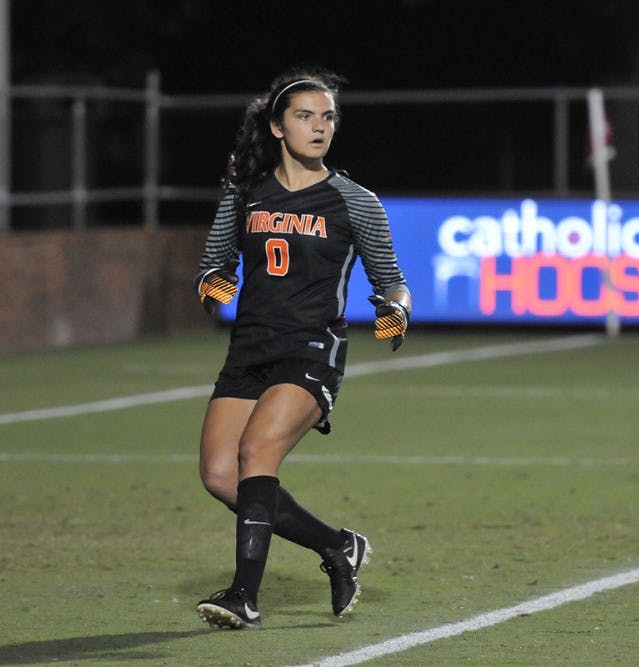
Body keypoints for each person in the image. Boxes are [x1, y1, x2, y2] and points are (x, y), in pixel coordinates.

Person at [192, 66, 411, 630]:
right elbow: (215, 266)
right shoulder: (244, 193)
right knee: (220, 476)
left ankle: (244, 595)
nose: (319, 127)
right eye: (305, 116)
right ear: (276, 127)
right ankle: (338, 546)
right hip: (250, 348)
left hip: (313, 348)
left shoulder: (354, 201)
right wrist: (217, 290)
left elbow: (390, 280)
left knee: (257, 452)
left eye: (328, 117)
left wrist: (396, 311)